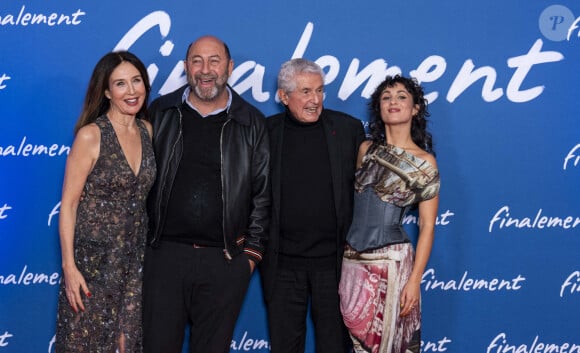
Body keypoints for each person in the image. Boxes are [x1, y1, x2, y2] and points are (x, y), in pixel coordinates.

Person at [143, 35, 270, 353]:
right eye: (197, 61)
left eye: (214, 61)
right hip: (164, 256)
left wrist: (250, 258)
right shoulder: (161, 112)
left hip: (224, 261)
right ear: (186, 67)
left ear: (229, 66)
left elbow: (263, 194)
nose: (205, 70)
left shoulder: (251, 122)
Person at [260, 58, 365, 353]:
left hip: (335, 266)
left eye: (319, 91)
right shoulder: (264, 133)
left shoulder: (348, 130)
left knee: (334, 347)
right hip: (282, 266)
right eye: (305, 92)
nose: (315, 100)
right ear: (283, 96)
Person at [55, 51, 156, 353]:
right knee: (83, 344)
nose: (132, 91)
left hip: (134, 263)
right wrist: (69, 268)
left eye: (136, 81)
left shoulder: (147, 131)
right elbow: (69, 205)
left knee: (127, 345)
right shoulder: (90, 136)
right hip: (92, 265)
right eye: (121, 84)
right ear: (107, 92)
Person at [338, 75, 440, 353]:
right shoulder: (365, 149)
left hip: (393, 264)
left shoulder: (424, 161)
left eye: (401, 96)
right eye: (386, 97)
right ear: (379, 108)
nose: (393, 101)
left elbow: (428, 226)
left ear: (415, 108)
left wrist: (415, 280)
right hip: (351, 262)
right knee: (359, 347)